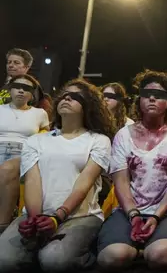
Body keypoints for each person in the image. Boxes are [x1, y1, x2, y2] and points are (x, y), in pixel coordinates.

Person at [0, 79, 113, 272]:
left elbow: (84, 182)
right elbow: (32, 180)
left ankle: (85, 256)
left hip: (80, 216)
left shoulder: (98, 140)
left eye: (76, 96)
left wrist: (57, 217)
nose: (67, 98)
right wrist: (35, 220)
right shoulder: (36, 140)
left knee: (55, 261)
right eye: (64, 95)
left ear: (88, 106)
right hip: (36, 215)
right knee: (4, 260)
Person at [97, 70, 167, 271]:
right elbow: (121, 181)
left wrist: (156, 216)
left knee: (160, 256)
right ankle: (136, 247)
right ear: (139, 99)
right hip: (129, 211)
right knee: (111, 257)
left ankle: (154, 245)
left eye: (159, 95)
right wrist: (133, 215)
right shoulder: (124, 135)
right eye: (147, 94)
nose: (151, 98)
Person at [0, 75, 50, 234]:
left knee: (7, 170)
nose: (21, 90)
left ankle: (2, 224)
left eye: (27, 88)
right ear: (10, 89)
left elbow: (46, 138)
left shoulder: (40, 113)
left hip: (23, 153)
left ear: (32, 94)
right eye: (17, 86)